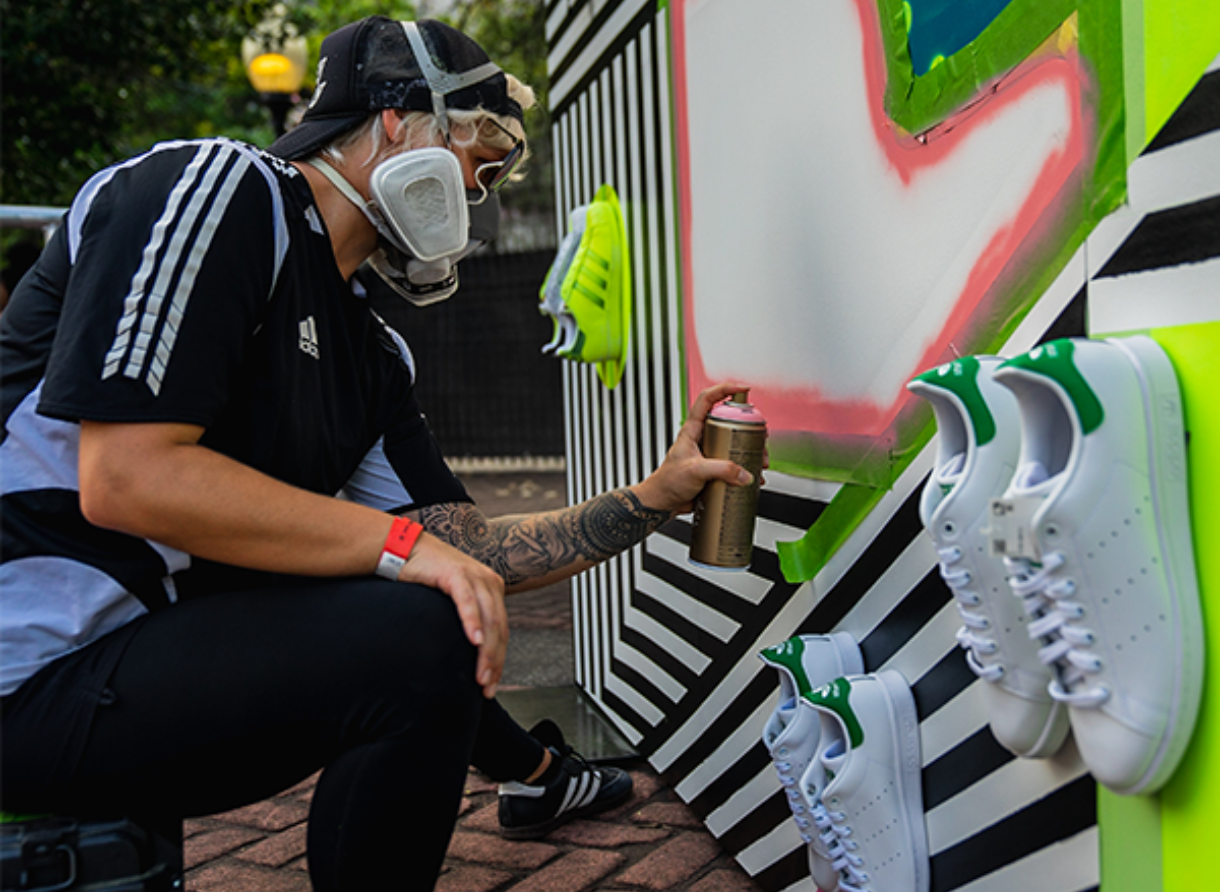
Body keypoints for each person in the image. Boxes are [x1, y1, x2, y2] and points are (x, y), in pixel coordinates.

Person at [0, 15, 753, 891]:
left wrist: (655, 496)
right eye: (482, 146)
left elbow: (470, 552)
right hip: (31, 674)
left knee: (441, 610)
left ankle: (527, 780)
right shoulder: (218, 188)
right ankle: (535, 776)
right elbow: (126, 479)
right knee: (419, 614)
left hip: (132, 669)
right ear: (397, 118)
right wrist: (400, 550)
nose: (480, 187)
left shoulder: (373, 352)